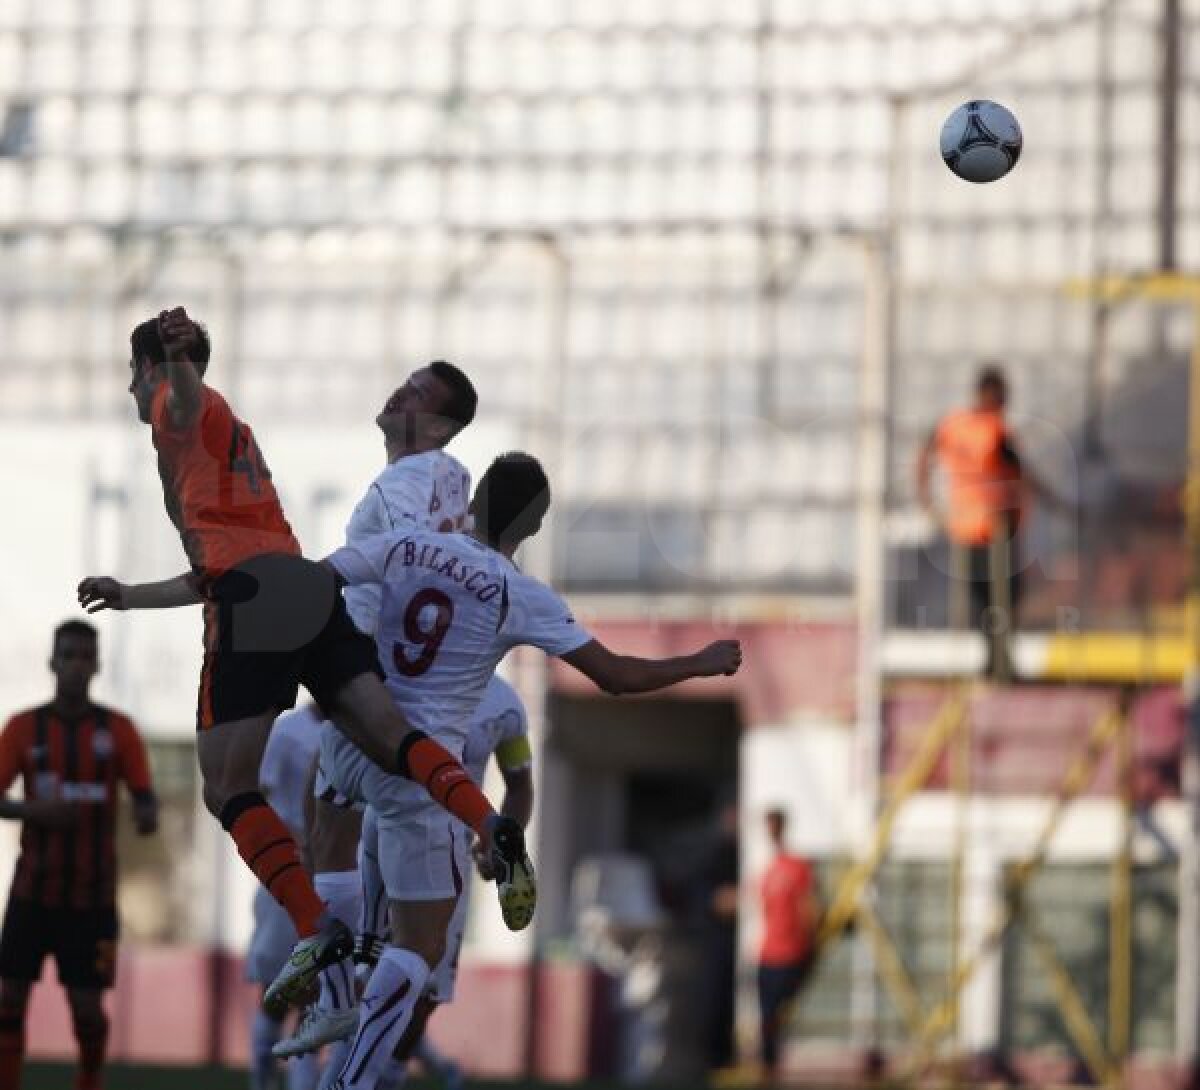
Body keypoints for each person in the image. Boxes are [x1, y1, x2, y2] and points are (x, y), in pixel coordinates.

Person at [75, 308, 529, 1016]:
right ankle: (486, 820)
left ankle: (315, 926)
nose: (136, 392)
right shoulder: (221, 450)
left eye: (135, 376)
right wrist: (129, 596)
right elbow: (218, 565)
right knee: (393, 737)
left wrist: (177, 360)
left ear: (145, 373)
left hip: (255, 599)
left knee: (226, 790)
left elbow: (185, 403)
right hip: (305, 587)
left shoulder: (174, 403)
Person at [313, 452, 743, 1090]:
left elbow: (318, 582)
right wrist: (699, 663)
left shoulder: (406, 543)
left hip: (352, 740)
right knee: (420, 947)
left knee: (339, 871)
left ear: (475, 499)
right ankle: (347, 1081)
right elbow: (617, 677)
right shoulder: (519, 594)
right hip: (423, 776)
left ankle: (329, 997)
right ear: (536, 525)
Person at [278, 674, 532, 1090]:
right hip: (379, 840)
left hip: (449, 855)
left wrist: (501, 847)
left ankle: (375, 1079)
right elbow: (326, 759)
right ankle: (330, 1080)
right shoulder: (394, 678)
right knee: (364, 969)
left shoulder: (507, 707)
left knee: (424, 995)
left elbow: (520, 784)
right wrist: (316, 846)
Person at [0, 620, 159, 1090]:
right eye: (68, 655)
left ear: (96, 666)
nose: (76, 665)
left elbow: (144, 795)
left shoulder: (119, 731)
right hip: (32, 892)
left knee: (87, 1009)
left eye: (85, 657)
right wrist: (34, 809)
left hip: (92, 898)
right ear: (53, 662)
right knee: (8, 998)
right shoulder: (24, 728)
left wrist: (146, 813)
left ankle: (89, 1077)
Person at [915, 366, 1067, 678]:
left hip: (964, 527)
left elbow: (924, 457)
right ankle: (1000, 665)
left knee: (983, 600)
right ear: (994, 395)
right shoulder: (993, 431)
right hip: (997, 528)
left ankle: (993, 662)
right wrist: (1056, 502)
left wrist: (928, 501)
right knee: (1005, 599)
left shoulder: (952, 425)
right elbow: (1023, 472)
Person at [246, 705, 323, 1090]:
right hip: (287, 876)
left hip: (332, 876)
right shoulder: (288, 731)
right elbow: (260, 799)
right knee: (276, 986)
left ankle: (301, 1083)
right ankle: (261, 1075)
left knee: (318, 991)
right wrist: (292, 846)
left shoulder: (358, 729)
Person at [756, 808, 819, 1083]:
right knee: (767, 1018)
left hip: (790, 953)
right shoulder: (768, 869)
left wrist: (810, 943)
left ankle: (774, 1068)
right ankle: (769, 1070)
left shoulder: (797, 866)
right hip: (767, 953)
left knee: (778, 1016)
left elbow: (809, 906)